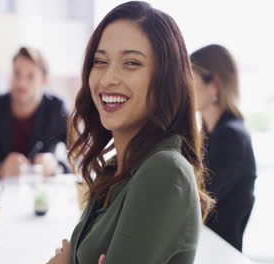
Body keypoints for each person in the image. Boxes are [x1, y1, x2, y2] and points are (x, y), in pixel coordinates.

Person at [47, 2, 214, 264]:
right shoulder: (115, 169)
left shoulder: (164, 171)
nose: (107, 78)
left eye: (131, 63)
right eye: (100, 61)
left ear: (165, 80)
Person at [0, 47, 68, 179]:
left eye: (30, 76)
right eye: (17, 74)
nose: (21, 83)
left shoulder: (57, 109)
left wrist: (56, 165)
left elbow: (81, 160)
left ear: (44, 81)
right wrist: (0, 169)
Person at [191, 44, 257, 251]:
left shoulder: (231, 137)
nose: (185, 90)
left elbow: (195, 201)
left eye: (191, 81)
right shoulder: (210, 135)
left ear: (214, 85)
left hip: (218, 254)